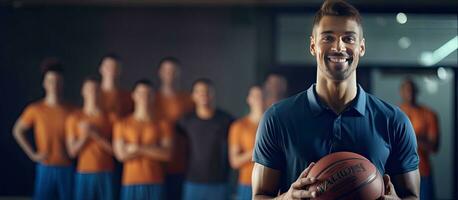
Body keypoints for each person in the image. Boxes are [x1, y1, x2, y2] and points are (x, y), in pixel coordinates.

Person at [252, 1, 420, 199]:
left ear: (362, 47)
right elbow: (259, 195)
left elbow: (412, 196)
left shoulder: (394, 121)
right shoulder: (277, 118)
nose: (338, 46)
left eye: (348, 38)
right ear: (313, 46)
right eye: (328, 37)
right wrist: (288, 197)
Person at [13, 58, 75, 200]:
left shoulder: (72, 110)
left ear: (62, 84)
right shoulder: (35, 109)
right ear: (44, 84)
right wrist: (32, 154)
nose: (54, 85)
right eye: (51, 81)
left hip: (67, 167)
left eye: (58, 81)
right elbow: (17, 131)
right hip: (45, 166)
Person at [113, 79, 173, 200]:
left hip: (155, 181)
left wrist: (137, 148)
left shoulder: (163, 124)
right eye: (140, 93)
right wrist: (154, 149)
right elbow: (121, 155)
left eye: (148, 94)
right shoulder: (122, 124)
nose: (144, 97)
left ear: (153, 97)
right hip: (130, 182)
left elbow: (166, 154)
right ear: (133, 96)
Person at [177, 78, 234, 200]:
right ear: (193, 96)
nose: (204, 94)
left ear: (213, 94)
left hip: (219, 182)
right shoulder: (185, 121)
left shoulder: (227, 120)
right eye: (199, 91)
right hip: (192, 181)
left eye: (208, 91)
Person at [65, 77, 115, 200]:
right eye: (89, 89)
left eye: (96, 90)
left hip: (106, 172)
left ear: (100, 93)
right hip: (83, 173)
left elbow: (116, 151)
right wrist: (85, 136)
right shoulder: (74, 118)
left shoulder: (111, 118)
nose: (92, 93)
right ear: (83, 91)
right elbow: (72, 152)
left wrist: (95, 135)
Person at [153, 57, 194, 200]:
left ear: (179, 73)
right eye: (166, 70)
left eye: (173, 71)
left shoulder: (188, 100)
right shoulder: (150, 99)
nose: (169, 74)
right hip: (153, 166)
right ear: (160, 73)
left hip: (181, 163)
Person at [399, 78, 439, 200]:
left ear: (417, 92)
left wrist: (409, 136)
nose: (409, 93)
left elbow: (434, 147)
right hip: (399, 174)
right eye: (406, 90)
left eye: (412, 90)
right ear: (401, 92)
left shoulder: (429, 114)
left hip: (423, 173)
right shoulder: (395, 113)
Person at [228, 86, 264, 200]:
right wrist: (258, 150)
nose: (259, 99)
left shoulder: (274, 124)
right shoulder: (239, 126)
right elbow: (234, 161)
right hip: (247, 185)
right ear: (249, 99)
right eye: (255, 96)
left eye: (261, 96)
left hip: (271, 184)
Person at [99, 53, 133, 118]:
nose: (111, 70)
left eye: (115, 67)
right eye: (108, 67)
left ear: (120, 71)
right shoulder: (91, 94)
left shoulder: (127, 98)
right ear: (101, 69)